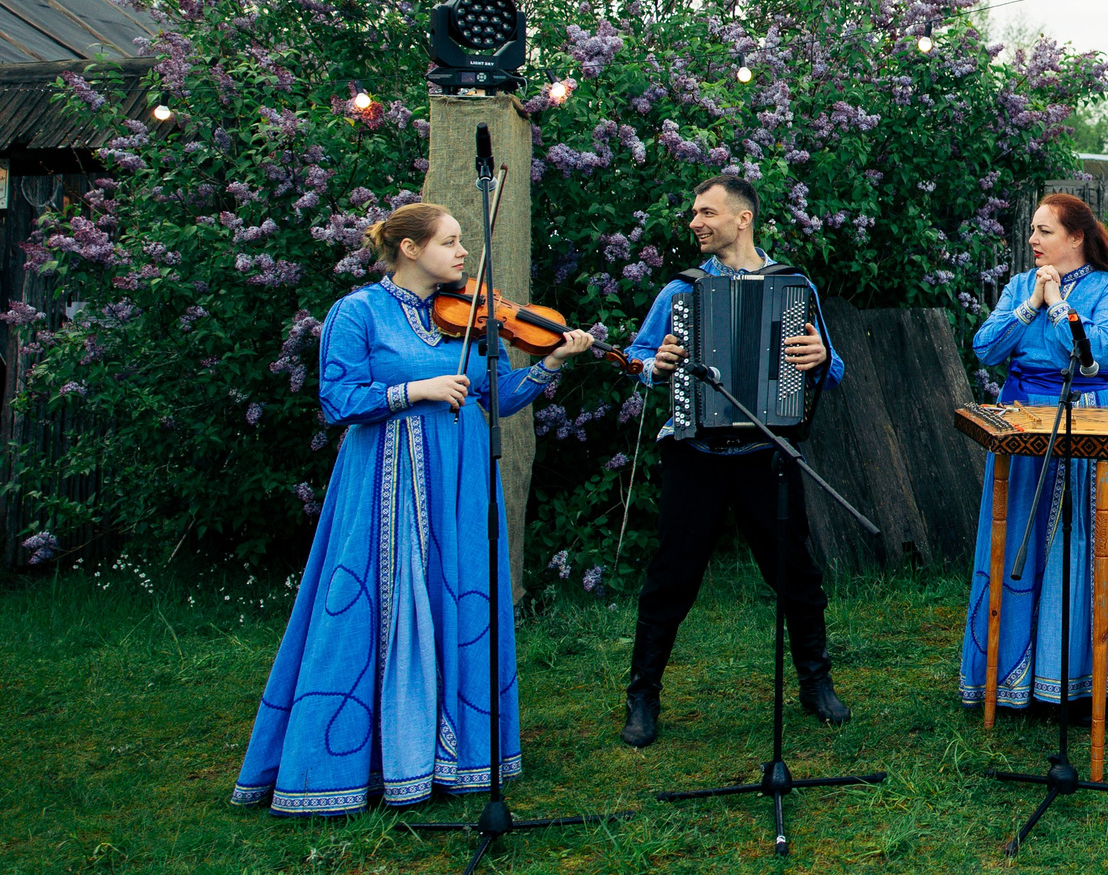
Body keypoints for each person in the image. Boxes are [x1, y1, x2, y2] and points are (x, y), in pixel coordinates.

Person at [231, 202, 596, 814]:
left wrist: (551, 364)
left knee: (456, 596)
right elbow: (337, 399)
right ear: (408, 248)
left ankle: (454, 755)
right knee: (380, 601)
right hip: (386, 480)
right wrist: (416, 390)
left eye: (462, 243)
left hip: (460, 479)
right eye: (451, 242)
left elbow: (497, 398)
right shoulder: (358, 312)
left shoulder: (473, 319)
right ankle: (370, 758)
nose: (462, 254)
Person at [618, 176, 845, 749]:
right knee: (673, 575)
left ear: (742, 219)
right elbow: (637, 357)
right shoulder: (681, 291)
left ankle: (815, 683)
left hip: (766, 452)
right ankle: (642, 695)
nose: (695, 222)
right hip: (695, 451)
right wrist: (658, 362)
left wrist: (819, 357)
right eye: (694, 213)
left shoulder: (794, 286)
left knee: (795, 571)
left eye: (706, 213)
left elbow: (834, 368)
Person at [962, 192, 1108, 711]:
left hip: (1087, 414)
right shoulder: (1021, 285)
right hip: (1022, 412)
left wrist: (1057, 309)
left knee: (1085, 537)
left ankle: (1086, 679)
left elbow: (1097, 353)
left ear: (1075, 237)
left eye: (1043, 231)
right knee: (1017, 526)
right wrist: (1030, 304)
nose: (1032, 240)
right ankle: (1011, 680)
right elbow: (985, 348)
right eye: (1032, 229)